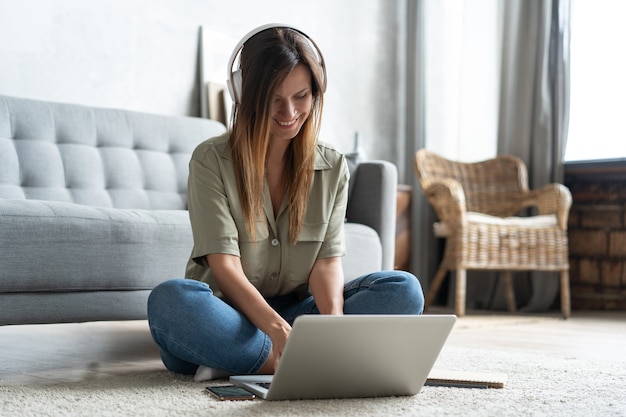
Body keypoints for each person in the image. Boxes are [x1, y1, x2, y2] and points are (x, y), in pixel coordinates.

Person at [147, 23, 424, 382]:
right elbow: (225, 267)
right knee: (170, 302)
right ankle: (285, 361)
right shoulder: (210, 160)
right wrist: (276, 330)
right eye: (274, 98)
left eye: (301, 96)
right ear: (245, 93)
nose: (289, 111)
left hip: (297, 316)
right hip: (229, 313)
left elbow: (326, 265)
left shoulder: (333, 166)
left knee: (404, 291)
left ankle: (246, 361)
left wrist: (333, 331)